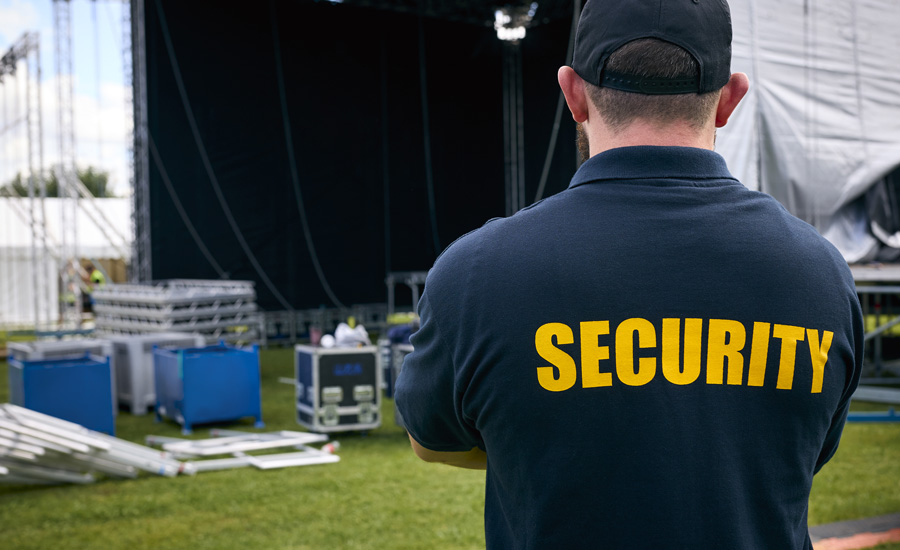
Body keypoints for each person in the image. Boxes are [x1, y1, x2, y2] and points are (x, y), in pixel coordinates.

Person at [394, 0, 863, 548]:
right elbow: (804, 450)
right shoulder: (819, 274)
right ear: (730, 99)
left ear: (571, 93)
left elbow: (430, 441)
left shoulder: (475, 273)